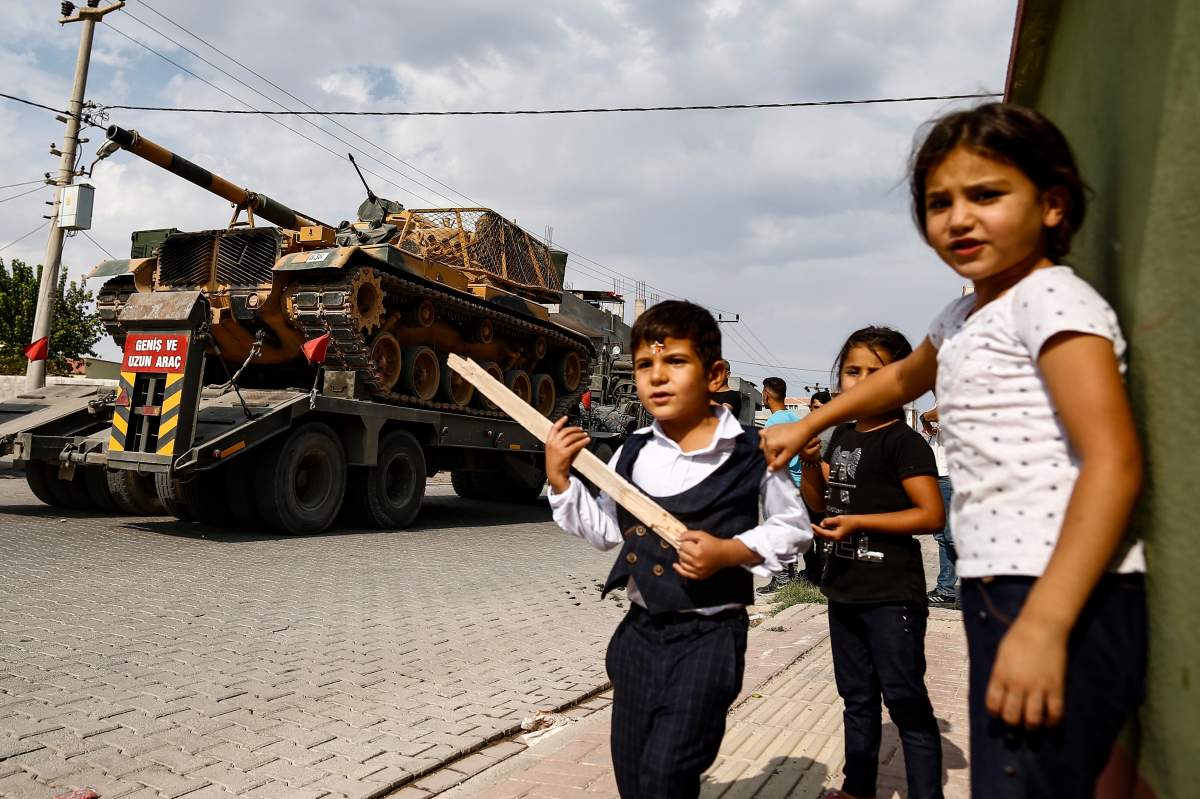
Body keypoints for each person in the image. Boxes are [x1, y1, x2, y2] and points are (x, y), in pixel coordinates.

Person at [760, 103, 1146, 798]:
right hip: (1002, 585)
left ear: (1053, 203)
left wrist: (1047, 623)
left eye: (986, 194)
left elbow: (1113, 461)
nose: (958, 218)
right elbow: (904, 377)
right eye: (939, 202)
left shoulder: (1052, 301)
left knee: (1027, 779)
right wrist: (808, 424)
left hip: (1062, 586)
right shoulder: (964, 315)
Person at [544, 300, 811, 799]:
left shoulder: (752, 452)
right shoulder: (633, 450)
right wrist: (562, 481)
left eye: (675, 362)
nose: (657, 377)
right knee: (632, 773)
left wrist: (731, 552)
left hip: (708, 641)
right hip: (638, 638)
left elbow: (794, 528)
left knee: (667, 774)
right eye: (645, 364)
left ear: (715, 375)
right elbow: (605, 530)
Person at [802, 326, 946, 799]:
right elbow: (821, 504)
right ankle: (857, 789)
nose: (861, 381)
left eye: (876, 373)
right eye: (852, 371)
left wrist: (861, 521)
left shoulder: (904, 443)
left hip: (892, 596)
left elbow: (931, 514)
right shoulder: (841, 437)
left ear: (901, 381)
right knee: (856, 698)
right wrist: (807, 464)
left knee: (904, 699)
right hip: (844, 589)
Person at [755, 376, 802, 595]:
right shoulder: (796, 417)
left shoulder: (773, 423)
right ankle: (790, 576)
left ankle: (782, 578)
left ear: (766, 394)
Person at [921, 405, 958, 607]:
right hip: (941, 472)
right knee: (944, 536)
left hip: (951, 473)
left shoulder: (954, 389)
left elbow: (941, 411)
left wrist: (924, 417)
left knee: (952, 537)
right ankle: (946, 588)